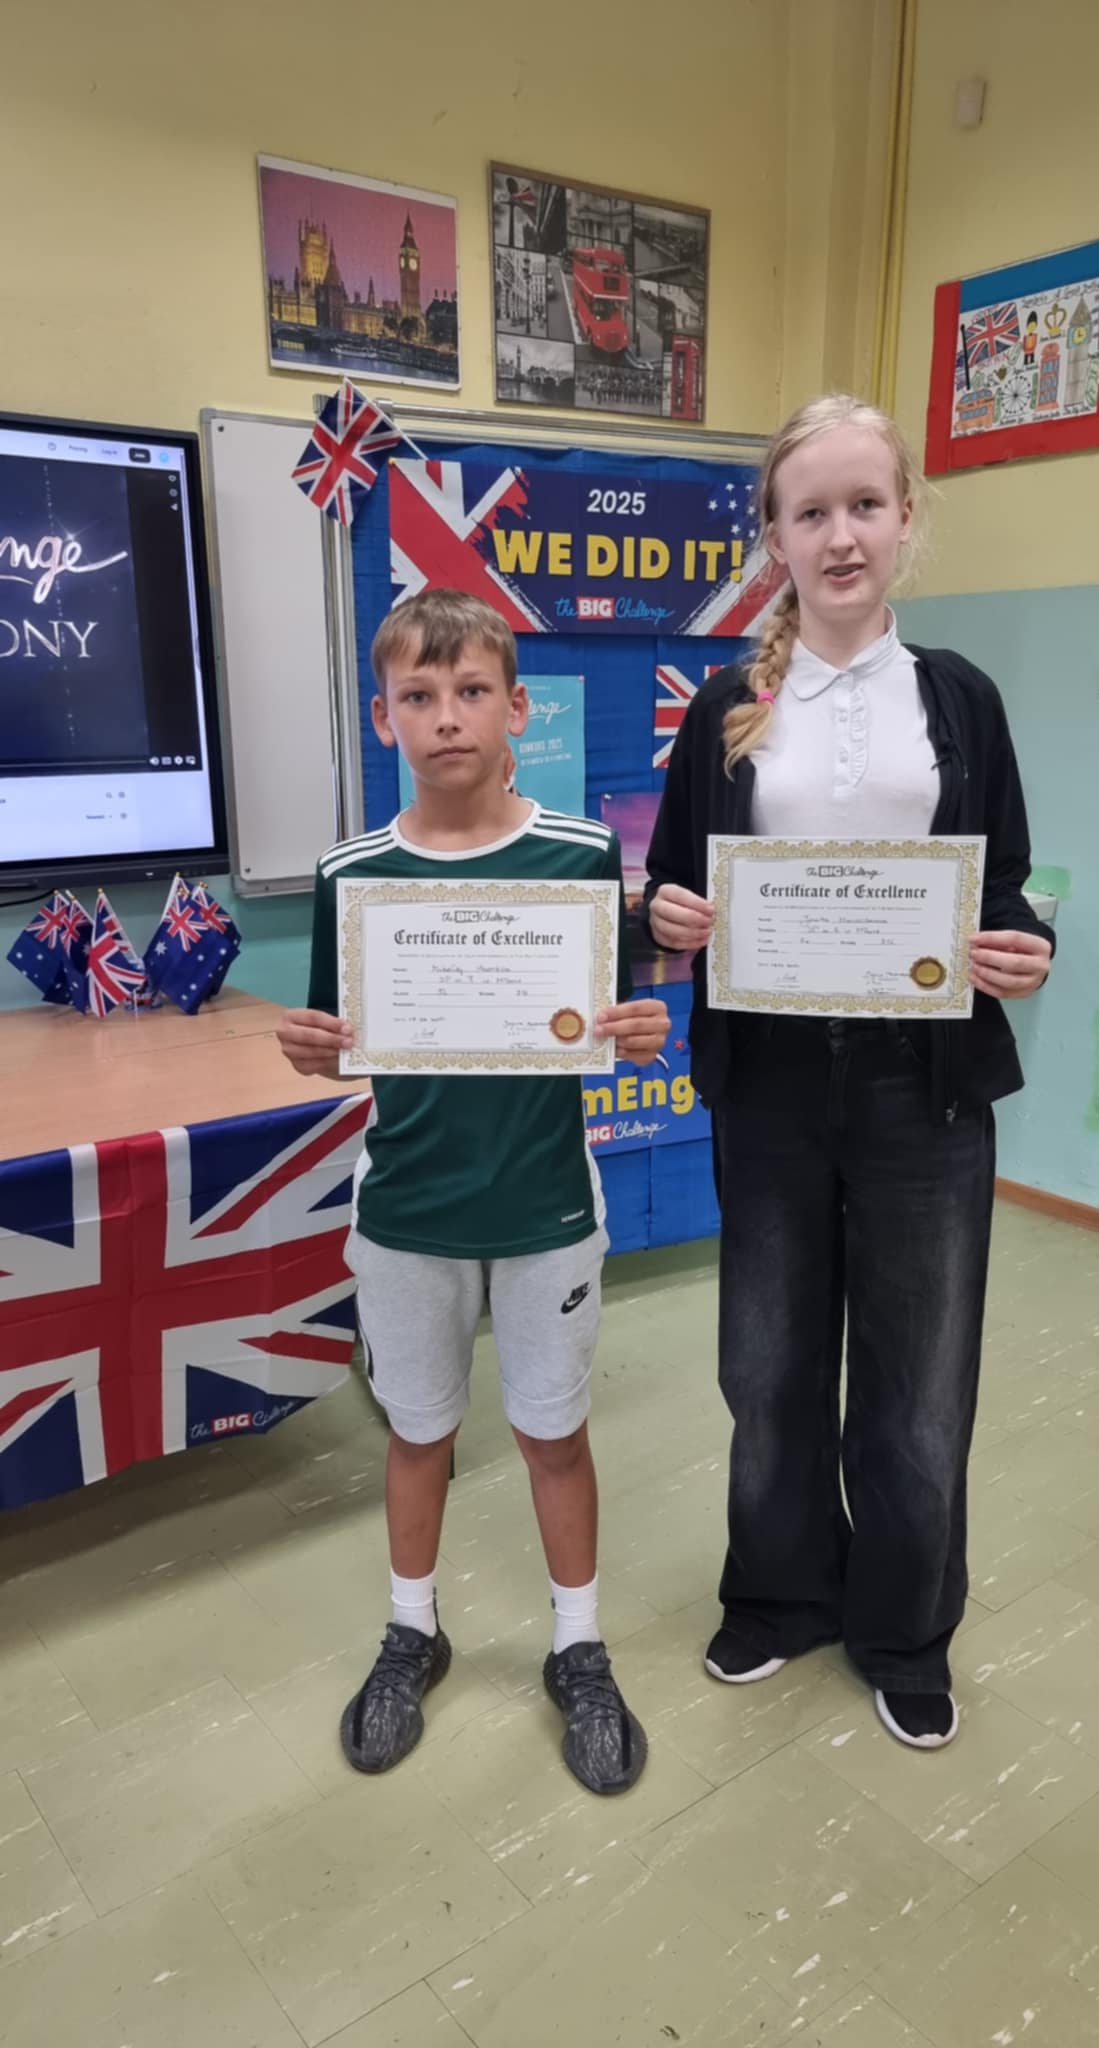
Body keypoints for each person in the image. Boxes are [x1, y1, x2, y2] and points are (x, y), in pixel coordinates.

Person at [644, 394, 1054, 1750]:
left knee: (918, 1381)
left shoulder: (958, 699)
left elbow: (1003, 883)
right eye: (809, 511)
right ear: (772, 536)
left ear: (904, 519)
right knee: (766, 1366)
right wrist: (666, 915)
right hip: (767, 1081)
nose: (838, 536)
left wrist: (1023, 945)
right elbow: (670, 884)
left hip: (917, 1090)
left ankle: (902, 1629)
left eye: (863, 506)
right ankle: (778, 1595)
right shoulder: (728, 705)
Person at [278, 588, 668, 1793]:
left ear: (515, 707)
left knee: (553, 1434)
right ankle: (413, 1628)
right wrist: (315, 1049)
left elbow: (605, 1023)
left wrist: (638, 1027)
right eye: (418, 695)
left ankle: (578, 1644)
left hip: (545, 1203)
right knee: (418, 1432)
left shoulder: (582, 857)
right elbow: (345, 1041)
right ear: (384, 715)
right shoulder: (352, 873)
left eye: (470, 691)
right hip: (409, 1209)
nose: (446, 716)